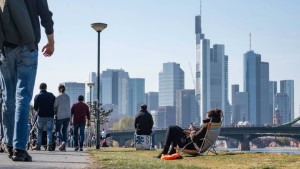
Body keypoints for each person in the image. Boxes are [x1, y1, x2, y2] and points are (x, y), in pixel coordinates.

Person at [0, 0, 54, 161]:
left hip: (5, 49)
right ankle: (19, 148)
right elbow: (45, 15)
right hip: (28, 48)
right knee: (22, 98)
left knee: (7, 99)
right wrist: (51, 41)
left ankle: (9, 144)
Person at [154, 109, 222, 158]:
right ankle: (172, 151)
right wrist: (196, 129)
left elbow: (194, 138)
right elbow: (204, 133)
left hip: (192, 145)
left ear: (210, 118)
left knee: (171, 128)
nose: (205, 118)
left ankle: (165, 152)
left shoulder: (206, 125)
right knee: (177, 129)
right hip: (200, 146)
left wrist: (191, 132)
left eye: (206, 117)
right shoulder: (215, 124)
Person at [33, 83, 56, 151]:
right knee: (49, 131)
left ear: (40, 88)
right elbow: (55, 103)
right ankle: (49, 145)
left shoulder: (37, 96)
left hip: (41, 116)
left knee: (39, 131)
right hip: (50, 116)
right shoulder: (51, 95)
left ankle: (38, 146)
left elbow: (35, 108)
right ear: (46, 87)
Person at [54, 84, 71, 151]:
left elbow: (55, 106)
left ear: (58, 89)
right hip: (67, 116)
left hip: (60, 116)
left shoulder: (58, 97)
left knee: (57, 130)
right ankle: (64, 146)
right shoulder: (68, 97)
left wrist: (54, 112)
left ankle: (62, 141)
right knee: (64, 130)